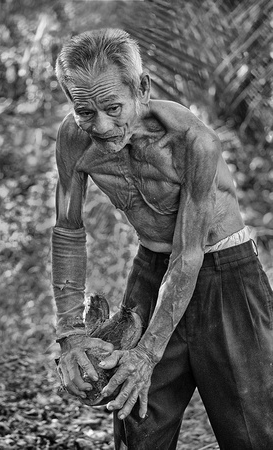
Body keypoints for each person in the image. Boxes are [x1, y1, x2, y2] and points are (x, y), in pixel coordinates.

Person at [52, 28, 273, 450]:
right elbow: (67, 229)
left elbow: (189, 254)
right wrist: (71, 334)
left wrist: (147, 354)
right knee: (137, 430)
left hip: (225, 274)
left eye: (113, 107)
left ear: (143, 88)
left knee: (254, 433)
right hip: (152, 270)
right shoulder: (75, 138)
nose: (101, 125)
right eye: (85, 110)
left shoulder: (193, 143)